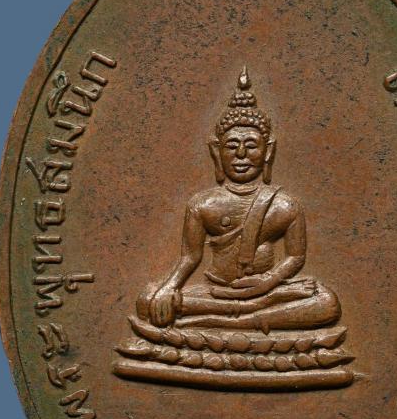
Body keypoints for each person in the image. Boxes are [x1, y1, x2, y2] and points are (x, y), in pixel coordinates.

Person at [136, 68, 341, 335]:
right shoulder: (202, 204)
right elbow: (190, 257)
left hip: (267, 291)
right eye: (232, 146)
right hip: (216, 292)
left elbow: (295, 256)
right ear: (216, 151)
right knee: (147, 301)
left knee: (327, 303)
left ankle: (232, 320)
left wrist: (268, 283)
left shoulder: (284, 205)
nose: (241, 154)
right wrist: (170, 287)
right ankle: (247, 316)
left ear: (268, 151)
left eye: (251, 145)